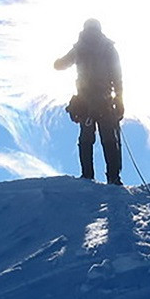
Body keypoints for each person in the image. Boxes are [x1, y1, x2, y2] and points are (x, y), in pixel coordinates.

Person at [54, 18, 124, 184]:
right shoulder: (108, 48)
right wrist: (119, 99)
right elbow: (117, 76)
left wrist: (57, 63)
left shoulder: (79, 48)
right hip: (104, 101)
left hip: (85, 102)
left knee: (86, 138)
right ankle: (113, 178)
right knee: (109, 138)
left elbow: (60, 65)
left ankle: (87, 176)